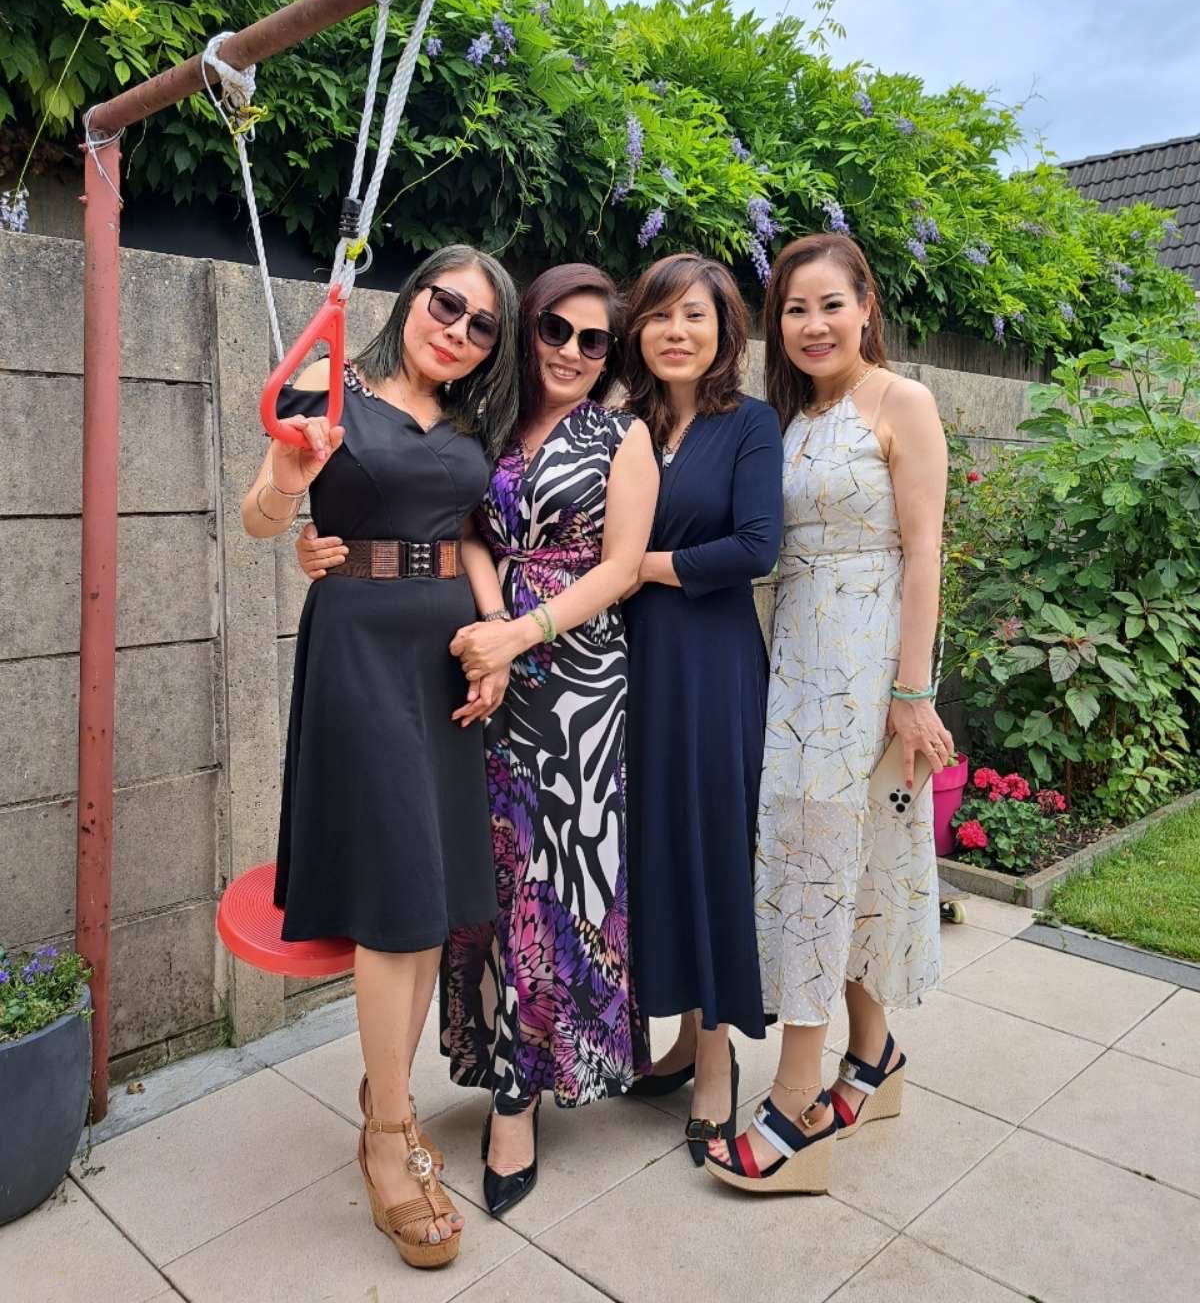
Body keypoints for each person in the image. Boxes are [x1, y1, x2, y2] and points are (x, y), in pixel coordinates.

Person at [300, 262, 658, 1219]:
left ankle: (517, 1102)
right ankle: (407, 1090)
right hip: (469, 667)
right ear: (527, 332)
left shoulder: (618, 434)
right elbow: (453, 526)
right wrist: (490, 626)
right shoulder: (485, 421)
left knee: (553, 888)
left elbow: (623, 565)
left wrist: (519, 633)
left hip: (573, 678)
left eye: (594, 339)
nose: (573, 351)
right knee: (475, 888)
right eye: (555, 330)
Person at [242, 245, 519, 1269]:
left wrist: (497, 639)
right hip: (358, 644)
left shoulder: (470, 422)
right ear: (411, 299)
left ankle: (384, 1098)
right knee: (398, 892)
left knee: (431, 898)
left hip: (446, 654)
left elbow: (471, 536)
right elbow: (261, 517)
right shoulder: (329, 386)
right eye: (447, 304)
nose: (458, 330)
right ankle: (391, 1137)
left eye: (482, 324)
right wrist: (287, 491)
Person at [707, 231, 954, 1196]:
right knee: (840, 862)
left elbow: (924, 552)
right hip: (797, 658)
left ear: (866, 308)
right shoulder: (787, 417)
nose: (813, 325)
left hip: (867, 665)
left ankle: (799, 1098)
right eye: (794, 310)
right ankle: (874, 1056)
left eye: (830, 305)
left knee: (817, 864)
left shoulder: (903, 402)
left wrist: (911, 693)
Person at [620, 252, 784, 1165]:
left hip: (714, 665)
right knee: (658, 845)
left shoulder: (749, 423)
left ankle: (717, 1061)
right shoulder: (626, 423)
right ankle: (681, 1038)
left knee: (713, 845)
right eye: (659, 315)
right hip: (634, 661)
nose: (676, 332)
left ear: (725, 330)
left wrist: (637, 568)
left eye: (695, 316)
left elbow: (756, 547)